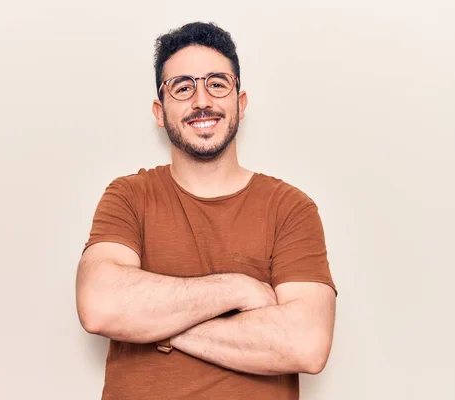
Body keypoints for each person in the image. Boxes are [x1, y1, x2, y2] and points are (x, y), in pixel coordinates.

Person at [75, 21, 337, 400]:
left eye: (217, 84)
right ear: (160, 111)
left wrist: (154, 323)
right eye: (182, 88)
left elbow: (306, 344)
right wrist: (238, 288)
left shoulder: (290, 208)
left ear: (240, 103)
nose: (202, 101)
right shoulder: (129, 196)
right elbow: (99, 305)